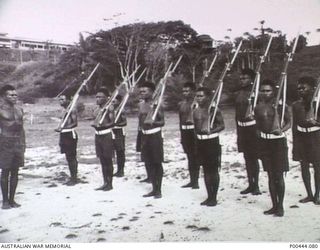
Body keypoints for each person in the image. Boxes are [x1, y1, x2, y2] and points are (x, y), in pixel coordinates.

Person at [254, 79, 291, 217]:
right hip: (264, 143)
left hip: (278, 143)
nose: (265, 93)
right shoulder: (258, 107)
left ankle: (280, 206)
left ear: (273, 91)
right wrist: (258, 133)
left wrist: (282, 130)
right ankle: (274, 205)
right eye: (262, 90)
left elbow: (289, 122)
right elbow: (257, 124)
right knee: (270, 175)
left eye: (268, 90)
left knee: (278, 175)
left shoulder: (280, 105)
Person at [193, 87, 224, 206]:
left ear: (207, 97)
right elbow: (195, 128)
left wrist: (211, 131)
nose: (199, 98)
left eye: (201, 96)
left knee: (213, 170)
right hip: (201, 143)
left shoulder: (214, 110)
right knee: (205, 170)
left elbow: (222, 125)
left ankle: (214, 197)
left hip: (212, 142)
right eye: (197, 96)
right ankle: (209, 196)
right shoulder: (195, 110)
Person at [292, 76, 320, 205]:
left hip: (315, 138)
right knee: (304, 166)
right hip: (301, 138)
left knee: (317, 166)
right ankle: (309, 194)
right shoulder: (296, 105)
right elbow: (294, 126)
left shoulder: (318, 104)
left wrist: (317, 122)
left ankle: (317, 194)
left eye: (303, 88)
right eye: (299, 88)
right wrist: (295, 145)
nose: (300, 90)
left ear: (312, 89)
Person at [234, 68, 261, 195]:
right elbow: (237, 114)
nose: (242, 80)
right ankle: (251, 184)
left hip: (252, 128)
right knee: (247, 157)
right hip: (242, 129)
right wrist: (238, 131)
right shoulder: (239, 93)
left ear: (251, 80)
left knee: (254, 157)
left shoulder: (256, 94)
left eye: (245, 78)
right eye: (240, 78)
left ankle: (256, 185)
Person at [0, 85, 25, 209]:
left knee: (15, 172)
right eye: (11, 95)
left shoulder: (19, 109)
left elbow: (22, 129)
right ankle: (5, 201)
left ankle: (12, 199)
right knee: (5, 172)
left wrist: (23, 145)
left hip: (18, 143)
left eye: (15, 95)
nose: (14, 97)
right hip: (5, 143)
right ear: (4, 96)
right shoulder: (0, 110)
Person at [138, 81, 165, 198]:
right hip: (144, 136)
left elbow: (162, 122)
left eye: (144, 91)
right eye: (140, 91)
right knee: (148, 162)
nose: (142, 93)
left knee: (156, 162)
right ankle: (153, 188)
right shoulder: (141, 105)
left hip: (155, 136)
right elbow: (141, 121)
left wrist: (154, 122)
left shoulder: (157, 105)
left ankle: (158, 190)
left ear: (151, 92)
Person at [92, 87, 115, 191]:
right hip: (98, 136)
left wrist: (103, 126)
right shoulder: (96, 110)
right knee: (102, 160)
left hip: (106, 135)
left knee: (108, 160)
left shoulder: (110, 108)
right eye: (97, 97)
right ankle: (105, 182)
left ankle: (110, 184)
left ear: (106, 98)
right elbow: (96, 122)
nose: (98, 99)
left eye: (100, 97)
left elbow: (113, 123)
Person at [178, 82, 199, 189]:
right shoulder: (181, 104)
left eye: (187, 91)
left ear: (193, 92)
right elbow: (180, 120)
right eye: (184, 91)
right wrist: (182, 135)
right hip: (185, 132)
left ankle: (196, 181)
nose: (185, 93)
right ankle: (192, 180)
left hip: (194, 132)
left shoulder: (197, 104)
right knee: (190, 157)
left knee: (195, 156)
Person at [55, 94, 78, 186]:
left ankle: (74, 178)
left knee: (71, 156)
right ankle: (72, 176)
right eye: (59, 99)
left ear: (68, 100)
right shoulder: (64, 110)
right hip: (63, 134)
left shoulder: (72, 109)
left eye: (63, 99)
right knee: (68, 157)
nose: (60, 101)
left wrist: (63, 127)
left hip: (70, 134)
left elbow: (75, 123)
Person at [112, 95, 127, 177]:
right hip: (112, 132)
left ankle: (121, 170)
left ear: (118, 102)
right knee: (112, 151)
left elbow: (124, 122)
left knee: (120, 151)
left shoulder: (121, 110)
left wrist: (115, 124)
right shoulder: (110, 110)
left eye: (114, 101)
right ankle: (116, 170)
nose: (112, 103)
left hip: (119, 132)